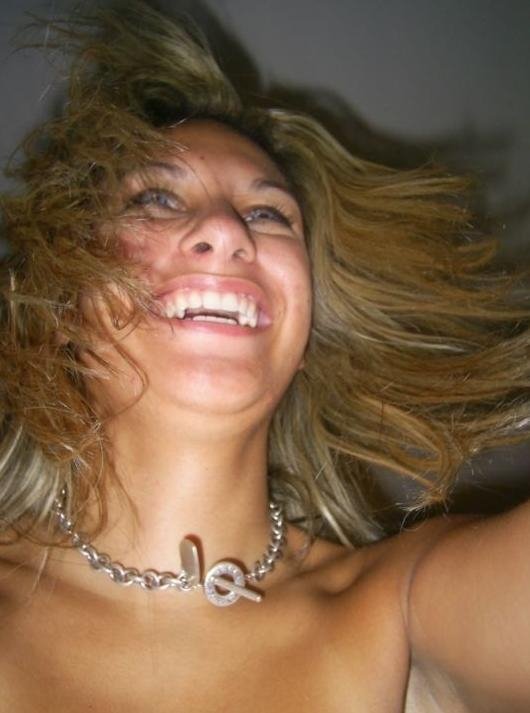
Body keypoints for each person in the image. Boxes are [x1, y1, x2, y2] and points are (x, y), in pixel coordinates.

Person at [0, 2, 528, 711]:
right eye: (157, 198)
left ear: (303, 332)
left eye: (268, 214)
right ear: (65, 303)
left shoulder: (396, 608)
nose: (225, 229)